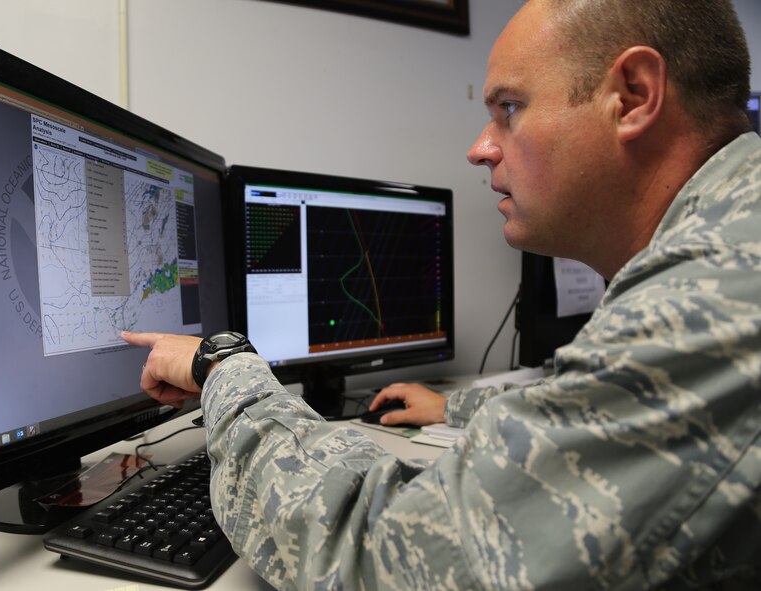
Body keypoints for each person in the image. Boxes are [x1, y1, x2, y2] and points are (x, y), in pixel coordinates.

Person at [122, 0, 761, 587]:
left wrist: (224, 368)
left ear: (634, 95)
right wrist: (454, 408)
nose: (480, 149)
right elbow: (604, 409)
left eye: (509, 108)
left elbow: (380, 553)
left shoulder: (712, 288)